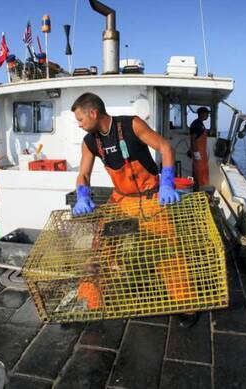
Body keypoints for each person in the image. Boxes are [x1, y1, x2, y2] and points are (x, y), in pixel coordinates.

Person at [71, 92, 199, 328]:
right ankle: (91, 301)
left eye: (80, 119)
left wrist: (168, 183)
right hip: (121, 199)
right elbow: (84, 173)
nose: (79, 125)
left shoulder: (131, 124)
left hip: (151, 198)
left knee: (167, 249)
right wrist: (82, 195)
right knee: (100, 247)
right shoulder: (91, 141)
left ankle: (187, 306)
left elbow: (165, 147)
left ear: (93, 112)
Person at [189, 106, 210, 186]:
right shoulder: (197, 124)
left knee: (201, 172)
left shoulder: (200, 124)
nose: (207, 116)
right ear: (201, 114)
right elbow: (193, 138)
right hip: (198, 153)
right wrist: (196, 153)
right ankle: (198, 189)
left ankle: (201, 187)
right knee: (198, 172)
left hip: (202, 153)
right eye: (206, 114)